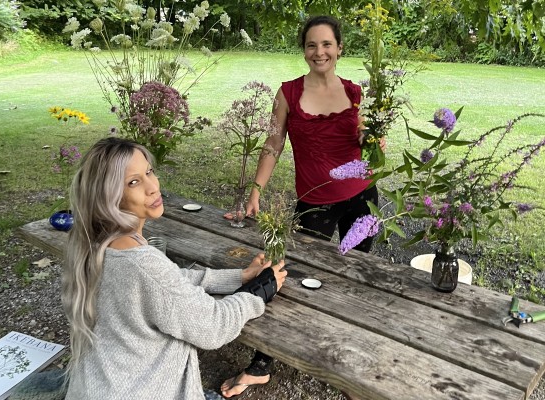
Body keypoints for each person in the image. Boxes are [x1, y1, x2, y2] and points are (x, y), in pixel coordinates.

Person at [221, 15, 380, 399]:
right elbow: (273, 145)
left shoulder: (358, 93)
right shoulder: (288, 93)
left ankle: (345, 357)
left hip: (364, 200)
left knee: (355, 277)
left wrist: (373, 139)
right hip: (315, 203)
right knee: (285, 278)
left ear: (340, 48)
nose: (319, 52)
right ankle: (262, 364)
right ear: (304, 51)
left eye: (327, 44)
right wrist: (256, 189)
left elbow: (373, 150)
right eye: (312, 45)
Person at [61, 137, 287, 400]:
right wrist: (260, 290)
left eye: (149, 172)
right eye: (133, 182)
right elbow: (213, 326)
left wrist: (239, 277)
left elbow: (168, 281)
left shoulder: (92, 242)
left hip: (97, 387)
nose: (152, 187)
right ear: (108, 197)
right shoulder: (141, 263)